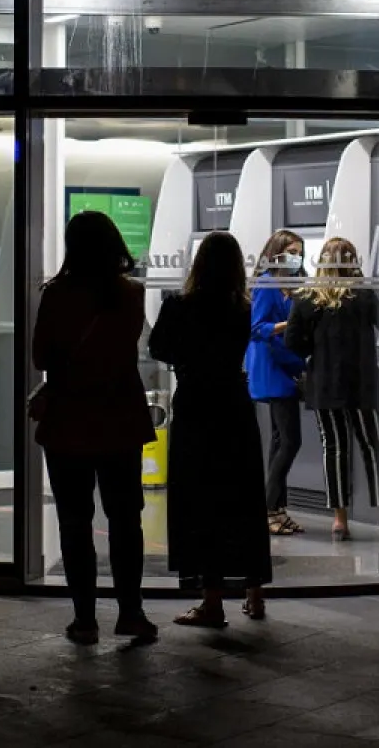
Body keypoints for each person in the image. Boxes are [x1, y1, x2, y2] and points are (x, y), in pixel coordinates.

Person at [33, 211, 159, 645]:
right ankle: (131, 612)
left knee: (74, 521)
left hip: (68, 417)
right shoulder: (131, 294)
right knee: (126, 520)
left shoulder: (55, 295)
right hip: (119, 417)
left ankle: (84, 619)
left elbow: (40, 358)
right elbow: (125, 352)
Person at [150, 231, 272, 626]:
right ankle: (254, 594)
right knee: (243, 499)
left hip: (197, 407)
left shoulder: (180, 306)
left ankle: (212, 600)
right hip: (235, 407)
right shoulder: (242, 307)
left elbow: (158, 348)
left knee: (200, 502)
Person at [286, 237, 379, 542]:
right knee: (372, 444)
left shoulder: (307, 297)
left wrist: (314, 351)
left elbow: (292, 342)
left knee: (335, 448)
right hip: (362, 384)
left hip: (326, 385)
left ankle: (339, 519)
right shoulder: (364, 295)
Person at [248, 230, 308, 537]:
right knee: (290, 440)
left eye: (299, 251)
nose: (295, 256)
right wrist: (290, 324)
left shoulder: (293, 284)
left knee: (277, 442)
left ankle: (278, 510)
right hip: (272, 368)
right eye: (290, 251)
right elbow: (258, 328)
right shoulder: (267, 283)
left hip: (287, 364)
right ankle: (268, 508)